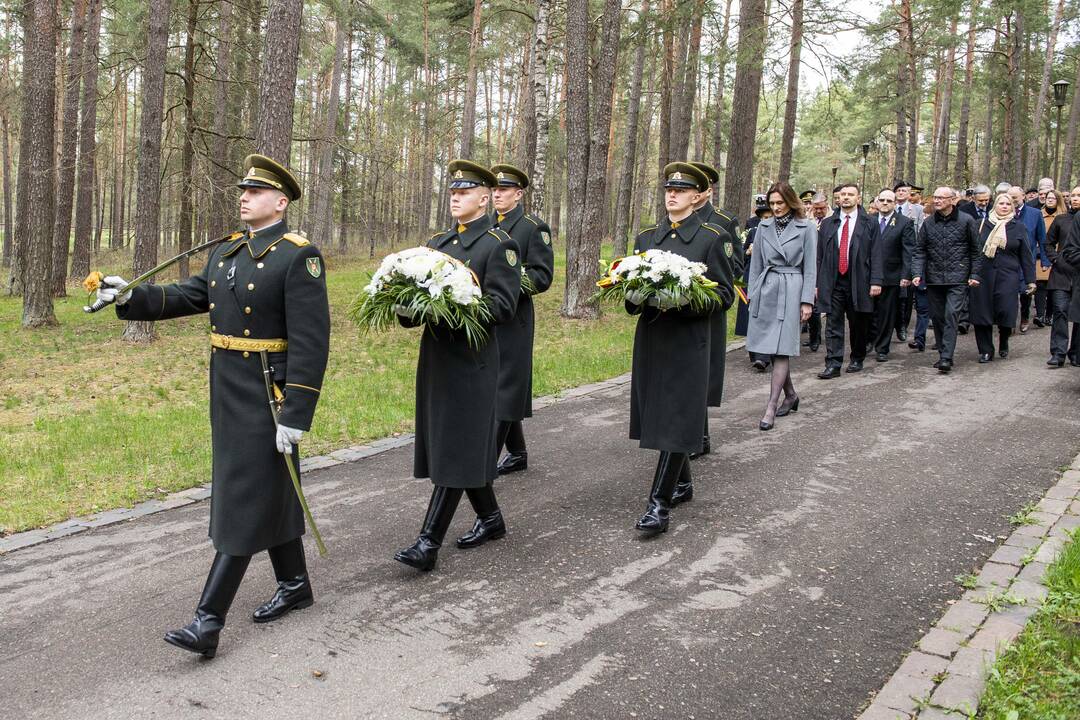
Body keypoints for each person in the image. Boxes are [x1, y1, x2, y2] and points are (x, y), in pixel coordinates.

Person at [95, 154, 330, 658]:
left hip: (270, 395)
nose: (244, 197)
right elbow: (190, 294)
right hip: (228, 389)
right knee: (264, 486)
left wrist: (296, 415)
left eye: (256, 192)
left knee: (245, 496)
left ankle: (208, 620)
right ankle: (295, 584)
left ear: (280, 202)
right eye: (242, 190)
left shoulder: (298, 256)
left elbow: (312, 343)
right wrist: (129, 297)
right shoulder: (226, 252)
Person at [394, 159, 520, 571]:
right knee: (455, 442)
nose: (455, 197)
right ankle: (491, 517)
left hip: (473, 362)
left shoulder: (499, 245)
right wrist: (402, 304)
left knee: (456, 445)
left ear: (484, 198)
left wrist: (453, 305)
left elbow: (503, 306)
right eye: (452, 192)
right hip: (437, 360)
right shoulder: (438, 244)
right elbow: (417, 300)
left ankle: (428, 543)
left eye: (464, 192)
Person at [625, 162, 733, 533]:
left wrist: (684, 299)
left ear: (698, 196)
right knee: (659, 411)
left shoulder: (711, 238)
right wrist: (635, 294)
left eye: (682, 190)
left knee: (675, 415)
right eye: (669, 189)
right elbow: (628, 286)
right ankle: (682, 482)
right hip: (654, 337)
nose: (672, 195)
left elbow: (722, 294)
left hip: (688, 340)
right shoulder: (646, 237)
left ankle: (659, 505)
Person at [487, 163, 555, 477]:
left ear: (519, 193)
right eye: (495, 189)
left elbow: (542, 276)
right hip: (486, 316)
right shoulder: (485, 225)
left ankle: (484, 461)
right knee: (496, 382)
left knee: (506, 384)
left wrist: (509, 282)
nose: (498, 194)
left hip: (515, 317)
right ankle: (518, 453)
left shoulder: (532, 227)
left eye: (504, 189)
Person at [746, 182, 817, 430]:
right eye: (772, 203)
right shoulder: (763, 227)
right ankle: (791, 395)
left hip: (792, 287)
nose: (776, 208)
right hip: (767, 287)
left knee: (782, 348)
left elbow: (810, 268)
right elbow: (755, 264)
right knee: (770, 346)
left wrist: (807, 300)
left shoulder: (807, 228)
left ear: (790, 202)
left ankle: (771, 406)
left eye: (780, 203)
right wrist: (752, 293)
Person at [689, 161, 742, 458]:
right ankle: (697, 432)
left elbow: (734, 266)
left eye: (698, 188)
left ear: (707, 190)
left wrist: (698, 281)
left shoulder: (723, 221)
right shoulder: (672, 221)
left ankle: (700, 433)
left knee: (704, 367)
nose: (692, 194)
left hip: (708, 304)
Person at [911, 187, 983, 373]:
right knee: (937, 317)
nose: (936, 201)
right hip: (934, 278)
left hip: (958, 278)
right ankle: (943, 351)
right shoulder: (928, 223)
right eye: (935, 197)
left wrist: (974, 275)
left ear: (952, 200)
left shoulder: (966, 221)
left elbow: (976, 251)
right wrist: (916, 273)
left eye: (941, 198)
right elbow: (920, 250)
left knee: (951, 314)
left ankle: (946, 357)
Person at [815, 183, 881, 378]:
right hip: (834, 281)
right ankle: (833, 363)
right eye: (842, 194)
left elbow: (877, 253)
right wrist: (818, 283)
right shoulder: (828, 223)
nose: (845, 198)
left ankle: (857, 357)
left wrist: (876, 281)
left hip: (859, 280)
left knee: (858, 323)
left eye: (850, 194)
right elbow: (820, 256)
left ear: (858, 198)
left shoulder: (869, 222)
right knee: (833, 323)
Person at [970, 193, 1036, 362]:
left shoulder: (1018, 227)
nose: (1005, 206)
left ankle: (1004, 339)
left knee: (1006, 310)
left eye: (1008, 204)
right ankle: (986, 350)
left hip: (1008, 275)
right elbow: (972, 251)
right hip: (982, 275)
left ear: (1012, 208)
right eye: (1001, 203)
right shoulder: (981, 224)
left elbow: (1026, 256)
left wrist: (1030, 280)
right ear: (995, 206)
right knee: (982, 312)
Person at [870, 189, 915, 361]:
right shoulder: (869, 220)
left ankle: (882, 347)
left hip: (891, 275)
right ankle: (869, 340)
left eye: (889, 200)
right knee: (868, 312)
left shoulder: (904, 223)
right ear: (876, 201)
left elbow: (908, 251)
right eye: (882, 200)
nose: (885, 203)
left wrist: (906, 274)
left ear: (895, 203)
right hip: (869, 275)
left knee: (886, 314)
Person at [735, 195, 775, 369]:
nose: (766, 220)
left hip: (770, 278)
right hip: (751, 277)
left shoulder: (780, 233)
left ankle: (764, 356)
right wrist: (748, 252)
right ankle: (754, 353)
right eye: (763, 218)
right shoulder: (752, 232)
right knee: (751, 314)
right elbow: (740, 256)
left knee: (767, 315)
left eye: (769, 217)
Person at [1008, 185, 1049, 332]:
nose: (1012, 201)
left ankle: (1025, 317)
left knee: (1026, 291)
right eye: (1009, 198)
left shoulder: (1035, 213)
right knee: (1009, 291)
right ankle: (1009, 321)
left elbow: (1042, 238)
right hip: (1009, 259)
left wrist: (1045, 261)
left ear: (1023, 196)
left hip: (1027, 258)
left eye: (1015, 198)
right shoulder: (1005, 212)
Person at [1046, 187, 1080, 366]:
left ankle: (1075, 352)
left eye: (1079, 196)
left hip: (1079, 275)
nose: (1075, 199)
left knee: (1078, 316)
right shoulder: (1061, 220)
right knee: (1060, 310)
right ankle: (1058, 352)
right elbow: (1048, 243)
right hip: (1061, 273)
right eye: (1073, 195)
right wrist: (1055, 260)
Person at [1035, 190, 1065, 327]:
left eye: (1053, 198)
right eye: (1048, 198)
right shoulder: (1038, 215)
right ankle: (1040, 314)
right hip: (1040, 254)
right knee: (1040, 284)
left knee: (1053, 287)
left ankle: (1049, 315)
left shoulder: (1063, 217)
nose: (1050, 200)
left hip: (1057, 255)